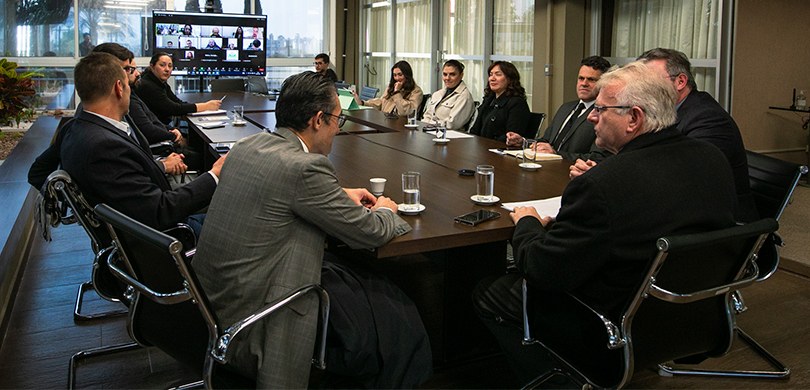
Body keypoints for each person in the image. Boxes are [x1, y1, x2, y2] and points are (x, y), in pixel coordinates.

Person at [472, 61, 737, 384]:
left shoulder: (604, 185)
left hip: (608, 324)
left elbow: (541, 269)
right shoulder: (713, 159)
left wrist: (527, 223)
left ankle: (560, 379)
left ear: (634, 118)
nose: (591, 117)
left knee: (489, 291)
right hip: (694, 316)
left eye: (600, 110)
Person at [193, 71, 432, 388]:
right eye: (338, 120)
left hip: (212, 306)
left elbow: (279, 189)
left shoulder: (246, 147)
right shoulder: (306, 168)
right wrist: (387, 210)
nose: (338, 129)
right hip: (264, 318)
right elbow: (370, 232)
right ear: (318, 120)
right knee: (397, 315)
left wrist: (338, 193)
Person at [570, 48, 758, 222]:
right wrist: (604, 173)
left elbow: (679, 180)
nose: (642, 87)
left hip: (718, 228)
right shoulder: (655, 114)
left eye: (651, 80)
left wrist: (608, 179)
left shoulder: (709, 120)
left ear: (681, 82)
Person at [57, 52, 225, 236]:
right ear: (119, 88)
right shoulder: (105, 147)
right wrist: (214, 175)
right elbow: (160, 211)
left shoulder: (77, 129)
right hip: (171, 237)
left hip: (146, 227)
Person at [27, 43, 190, 189]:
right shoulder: (102, 141)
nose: (134, 74)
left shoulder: (87, 121)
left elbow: (37, 173)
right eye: (127, 69)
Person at [508, 56, 612, 162]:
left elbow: (597, 158)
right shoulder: (566, 108)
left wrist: (556, 154)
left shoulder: (604, 115)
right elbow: (546, 141)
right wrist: (524, 142)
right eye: (581, 78)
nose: (584, 84)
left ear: (603, 84)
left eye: (591, 80)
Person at [134, 52, 222, 125]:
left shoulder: (159, 82)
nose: (167, 69)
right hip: (157, 129)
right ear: (152, 66)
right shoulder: (148, 85)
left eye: (170, 66)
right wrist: (206, 106)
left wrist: (200, 107)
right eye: (162, 65)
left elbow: (177, 102)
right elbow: (174, 108)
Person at [469, 61, 531, 142]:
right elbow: (475, 129)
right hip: (482, 147)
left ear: (509, 79)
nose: (492, 78)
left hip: (500, 150)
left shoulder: (517, 103)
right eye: (491, 75)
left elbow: (511, 136)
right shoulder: (489, 100)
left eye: (498, 74)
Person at [421, 59, 475, 131]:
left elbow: (451, 124)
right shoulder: (437, 94)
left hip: (451, 138)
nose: (447, 78)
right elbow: (427, 115)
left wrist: (430, 124)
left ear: (461, 75)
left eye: (452, 74)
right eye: (445, 74)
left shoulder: (464, 97)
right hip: (430, 132)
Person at [355, 60, 424, 116]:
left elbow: (406, 112)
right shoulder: (391, 87)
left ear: (407, 75)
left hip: (402, 125)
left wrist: (397, 92)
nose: (397, 78)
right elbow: (381, 102)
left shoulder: (416, 91)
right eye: (394, 75)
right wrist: (363, 103)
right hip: (386, 120)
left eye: (400, 75)